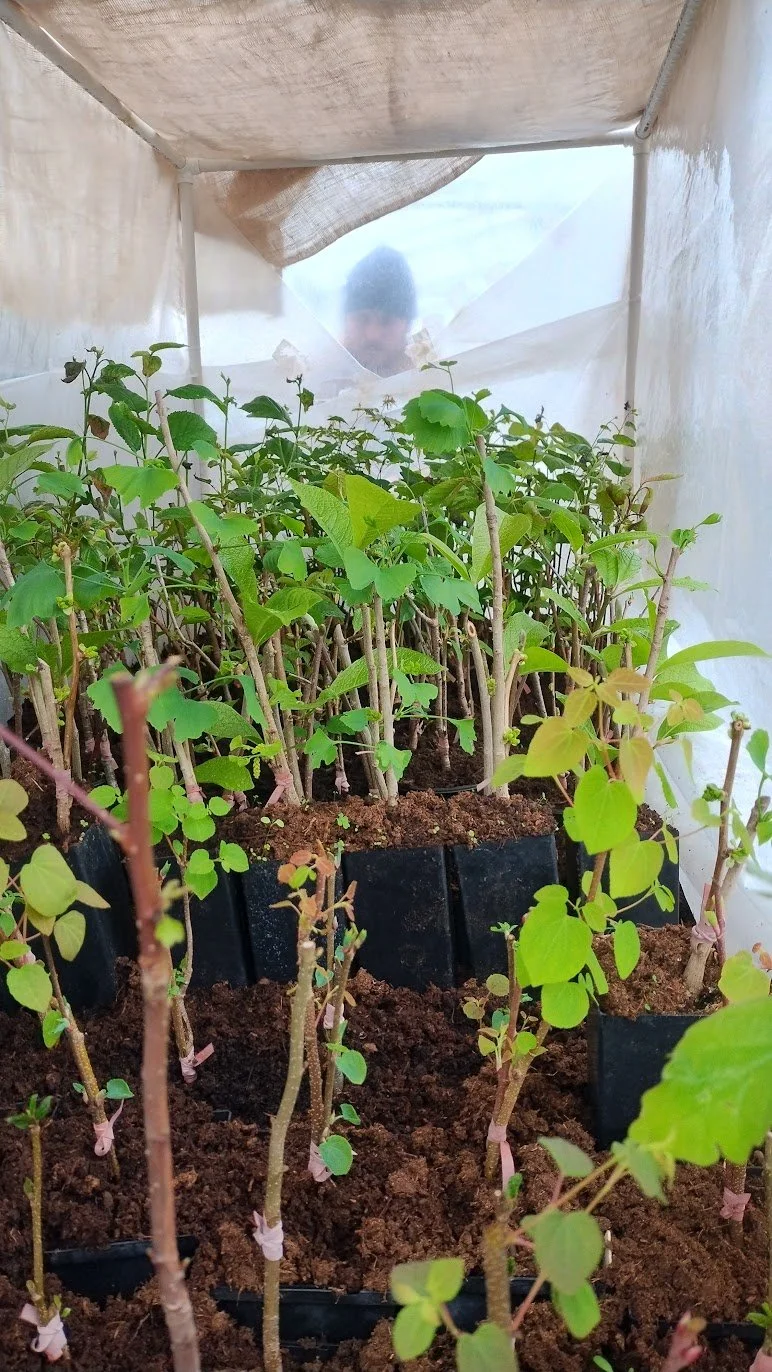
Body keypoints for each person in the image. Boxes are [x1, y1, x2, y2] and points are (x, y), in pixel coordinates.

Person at [341, 247, 417, 377]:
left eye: (387, 321)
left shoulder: (431, 381)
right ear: (346, 320)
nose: (373, 334)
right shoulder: (311, 378)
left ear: (407, 325)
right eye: (362, 319)